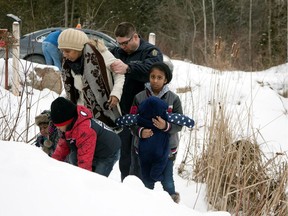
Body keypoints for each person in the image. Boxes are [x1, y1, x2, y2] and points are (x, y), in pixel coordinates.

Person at [110, 22, 164, 181]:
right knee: (125, 155)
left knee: (141, 155)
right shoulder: (117, 51)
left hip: (144, 114)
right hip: (124, 112)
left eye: (125, 43)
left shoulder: (150, 52)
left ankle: (143, 191)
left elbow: (152, 69)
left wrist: (128, 68)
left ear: (135, 37)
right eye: (119, 43)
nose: (122, 47)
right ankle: (125, 184)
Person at [57, 28, 124, 129]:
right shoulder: (69, 63)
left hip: (103, 108)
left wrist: (116, 94)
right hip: (81, 111)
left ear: (78, 48)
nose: (65, 55)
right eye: (62, 51)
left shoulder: (100, 54)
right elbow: (72, 88)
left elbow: (119, 73)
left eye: (68, 51)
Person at [50, 97, 121, 177]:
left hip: (108, 153)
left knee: (98, 178)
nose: (57, 128)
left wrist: (84, 179)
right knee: (73, 157)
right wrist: (51, 165)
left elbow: (85, 160)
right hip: (93, 149)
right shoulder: (68, 128)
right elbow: (62, 147)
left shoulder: (84, 130)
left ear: (67, 121)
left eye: (59, 126)